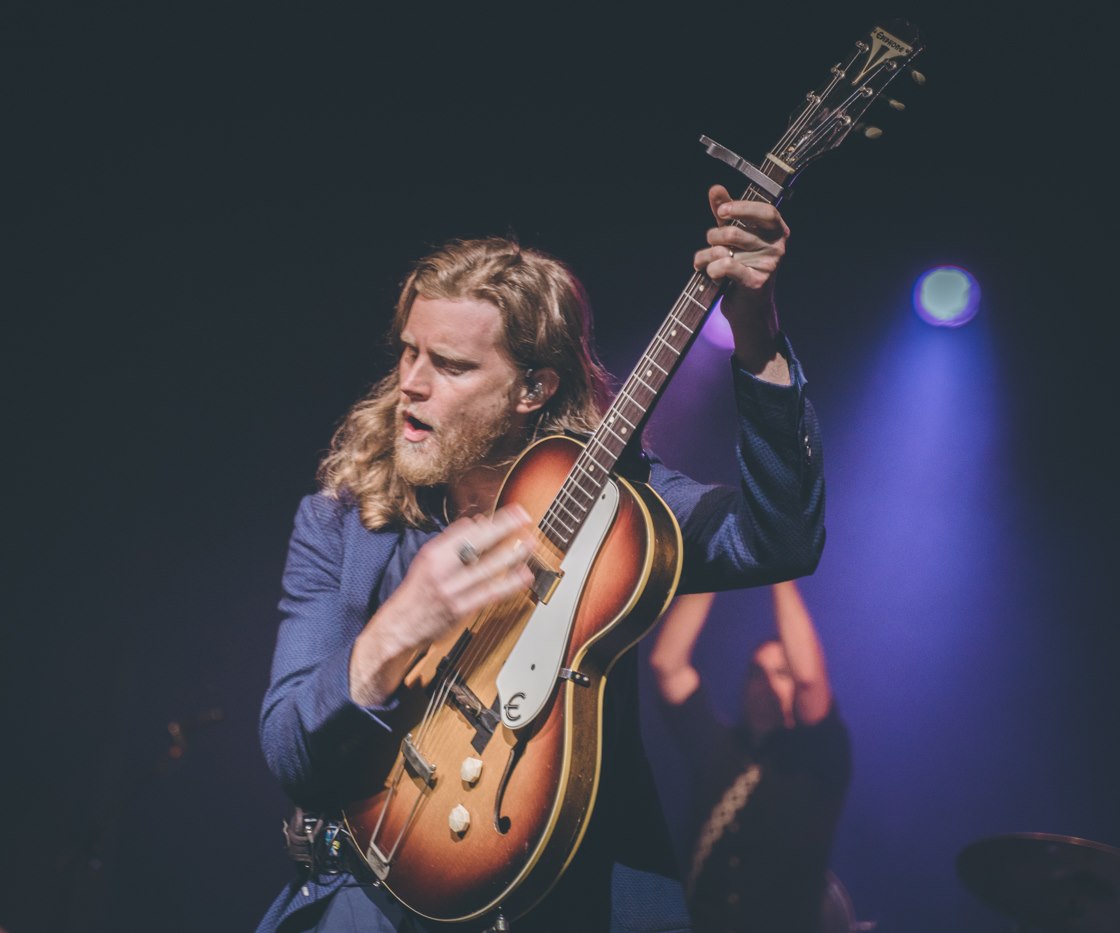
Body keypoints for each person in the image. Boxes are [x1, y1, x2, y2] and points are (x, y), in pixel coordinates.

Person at [257, 184, 826, 933]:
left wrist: (754, 331)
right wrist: (396, 631)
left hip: (572, 899)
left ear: (534, 387)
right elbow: (291, 749)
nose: (411, 384)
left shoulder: (614, 508)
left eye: (452, 365)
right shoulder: (340, 522)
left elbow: (777, 537)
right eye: (408, 351)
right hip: (379, 900)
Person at [647, 581, 851, 933]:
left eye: (780, 673)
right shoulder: (719, 745)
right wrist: (714, 568)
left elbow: (809, 680)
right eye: (757, 672)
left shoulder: (820, 758)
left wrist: (779, 570)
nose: (766, 683)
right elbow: (667, 665)